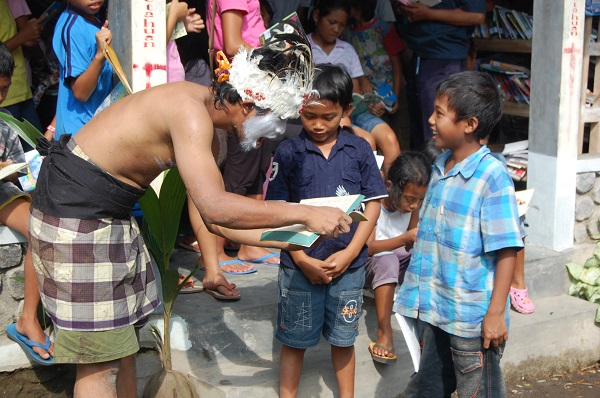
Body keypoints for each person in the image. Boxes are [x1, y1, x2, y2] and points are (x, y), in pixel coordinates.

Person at [28, 32, 353, 396]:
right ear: (247, 104)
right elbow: (217, 206)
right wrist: (305, 213)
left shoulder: (209, 131)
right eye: (271, 120)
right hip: (77, 216)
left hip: (105, 215)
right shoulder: (190, 113)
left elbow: (215, 222)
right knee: (100, 364)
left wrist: (300, 235)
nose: (268, 137)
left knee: (123, 351)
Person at [394, 71, 524, 397]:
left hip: (472, 321)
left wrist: (495, 314)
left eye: (439, 113)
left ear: (469, 124)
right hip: (436, 309)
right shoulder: (438, 167)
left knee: (479, 391)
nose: (431, 119)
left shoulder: (492, 176)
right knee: (426, 389)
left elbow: (507, 248)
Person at [266, 64, 387, 398]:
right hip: (299, 269)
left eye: (328, 117)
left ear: (346, 111)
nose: (318, 125)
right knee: (294, 341)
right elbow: (278, 213)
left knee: (344, 340)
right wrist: (302, 259)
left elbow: (373, 205)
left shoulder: (360, 149)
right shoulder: (287, 152)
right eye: (308, 116)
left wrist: (350, 254)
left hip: (348, 268)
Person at [205, 0, 281, 270]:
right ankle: (216, 251)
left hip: (254, 87)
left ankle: (250, 244)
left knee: (256, 169)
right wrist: (276, 63)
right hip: (243, 89)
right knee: (238, 172)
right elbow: (232, 42)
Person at [0, 40, 53, 366]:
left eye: (4, 90)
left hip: (2, 194)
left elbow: (18, 175)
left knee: (41, 226)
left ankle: (28, 318)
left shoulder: (4, 125)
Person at [308, 0, 400, 176]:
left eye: (342, 25)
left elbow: (356, 93)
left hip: (355, 112)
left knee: (389, 138)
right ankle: (369, 192)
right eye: (332, 22)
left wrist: (371, 105)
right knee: (366, 139)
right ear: (317, 16)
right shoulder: (306, 48)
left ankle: (390, 200)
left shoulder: (347, 49)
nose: (336, 29)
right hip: (328, 114)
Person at [391, 0, 486, 150]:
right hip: (420, 55)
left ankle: (442, 171)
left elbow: (477, 15)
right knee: (420, 133)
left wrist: (428, 13)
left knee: (439, 132)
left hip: (444, 59)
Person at [365, 151, 430, 364]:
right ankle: (385, 332)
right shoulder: (374, 204)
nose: (414, 205)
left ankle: (427, 329)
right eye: (410, 199)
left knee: (424, 258)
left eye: (419, 200)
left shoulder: (411, 209)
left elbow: (411, 246)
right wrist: (404, 239)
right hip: (369, 266)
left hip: (396, 266)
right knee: (388, 259)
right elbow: (368, 248)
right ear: (389, 186)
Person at [52, 0, 113, 139]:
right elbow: (81, 92)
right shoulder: (72, 29)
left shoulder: (92, 20)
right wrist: (99, 55)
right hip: (80, 134)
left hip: (98, 127)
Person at [0, 0, 44, 133]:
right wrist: (22, 37)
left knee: (37, 151)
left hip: (19, 90)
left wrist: (26, 39)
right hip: (6, 99)